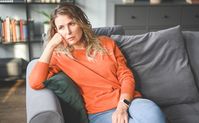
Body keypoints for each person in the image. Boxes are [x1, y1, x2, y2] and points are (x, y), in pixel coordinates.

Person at [29, 3, 166, 123]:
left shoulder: (106, 42)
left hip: (129, 100)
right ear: (56, 32)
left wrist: (122, 106)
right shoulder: (59, 56)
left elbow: (126, 76)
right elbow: (35, 83)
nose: (68, 32)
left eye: (72, 23)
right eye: (62, 27)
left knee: (154, 116)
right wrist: (50, 46)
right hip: (100, 111)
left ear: (81, 23)